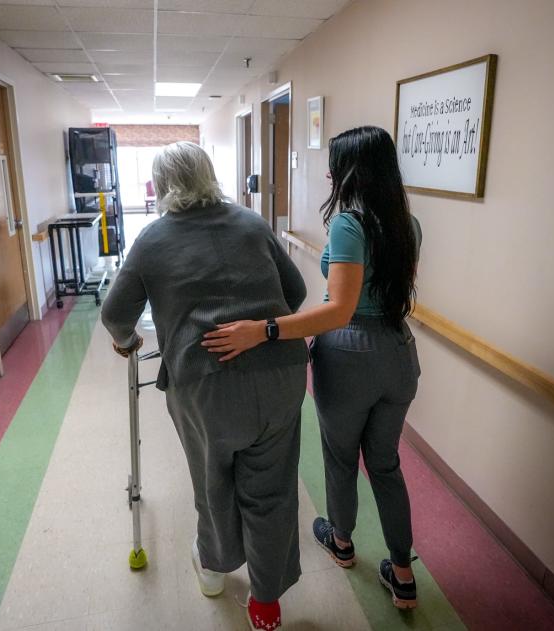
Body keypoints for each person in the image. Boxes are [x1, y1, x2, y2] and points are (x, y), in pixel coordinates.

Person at [202, 126, 423, 609]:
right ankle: (403, 574)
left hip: (350, 357)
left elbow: (340, 310)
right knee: (385, 464)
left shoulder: (349, 225)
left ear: (354, 170)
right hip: (399, 352)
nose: (329, 172)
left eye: (335, 162)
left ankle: (341, 542)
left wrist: (265, 329)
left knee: (341, 457)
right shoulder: (407, 224)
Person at [101, 142, 308, 631]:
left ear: (161, 184)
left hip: (206, 386)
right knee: (273, 489)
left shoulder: (152, 239)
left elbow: (114, 314)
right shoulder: (252, 223)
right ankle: (266, 602)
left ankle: (214, 572)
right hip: (281, 374)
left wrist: (128, 343)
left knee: (215, 481)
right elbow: (295, 294)